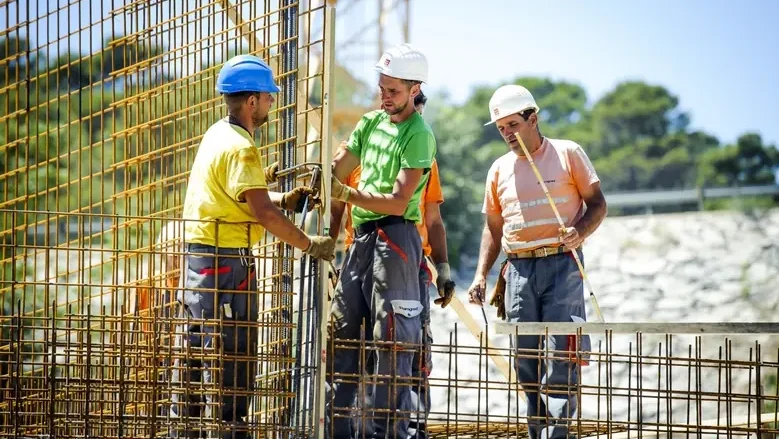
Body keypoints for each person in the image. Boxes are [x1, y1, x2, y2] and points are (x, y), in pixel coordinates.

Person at [170, 54, 335, 439]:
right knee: (234, 358)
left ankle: (185, 430)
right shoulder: (242, 148)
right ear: (252, 101)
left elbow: (237, 198)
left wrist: (282, 197)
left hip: (198, 259)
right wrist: (308, 243)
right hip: (229, 261)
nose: (272, 103)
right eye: (269, 96)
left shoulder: (216, 134)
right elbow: (262, 214)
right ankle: (232, 433)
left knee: (194, 352)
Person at [467, 84, 607, 439]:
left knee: (564, 352)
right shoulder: (499, 169)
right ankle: (538, 429)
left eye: (513, 124)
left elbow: (598, 204)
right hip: (518, 270)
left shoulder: (567, 153)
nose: (507, 134)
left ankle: (557, 432)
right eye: (501, 129)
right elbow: (493, 229)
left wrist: (580, 231)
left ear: (533, 118)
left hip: (563, 263)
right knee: (524, 355)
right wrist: (481, 275)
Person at [325, 43, 441, 439]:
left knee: (392, 342)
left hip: (396, 239)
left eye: (393, 90)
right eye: (382, 87)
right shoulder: (370, 123)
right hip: (361, 240)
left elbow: (398, 200)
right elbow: (337, 172)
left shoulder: (419, 135)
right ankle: (340, 431)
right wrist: (316, 183)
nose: (384, 96)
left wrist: (344, 194)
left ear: (414, 89)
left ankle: (386, 433)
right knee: (343, 336)